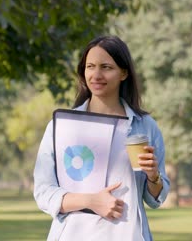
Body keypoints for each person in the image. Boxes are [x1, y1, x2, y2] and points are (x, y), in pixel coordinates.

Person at [33, 35, 169, 241]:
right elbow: (43, 192)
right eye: (90, 66)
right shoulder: (61, 126)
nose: (96, 74)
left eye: (106, 67)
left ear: (123, 73)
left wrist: (153, 175)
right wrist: (91, 201)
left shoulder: (145, 126)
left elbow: (155, 199)